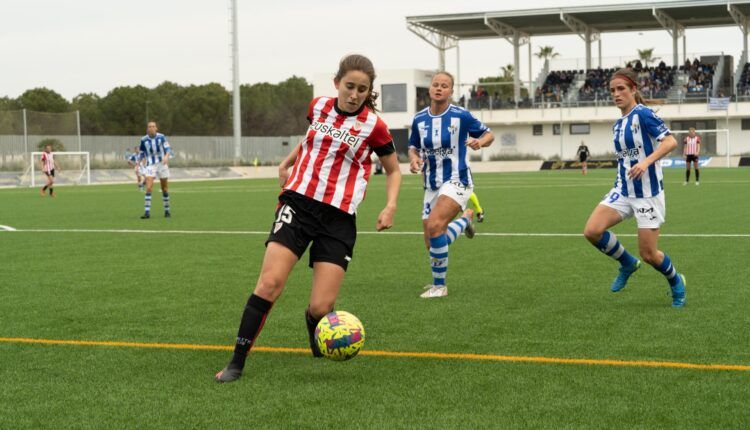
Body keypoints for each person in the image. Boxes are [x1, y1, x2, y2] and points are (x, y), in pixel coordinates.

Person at [215, 54, 402, 383]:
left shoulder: (375, 126)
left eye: (362, 89)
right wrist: (287, 162)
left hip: (338, 218)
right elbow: (313, 139)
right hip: (298, 204)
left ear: (368, 91)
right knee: (270, 284)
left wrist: (390, 206)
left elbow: (393, 169)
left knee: (320, 307)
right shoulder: (318, 106)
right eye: (349, 86)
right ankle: (237, 361)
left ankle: (315, 326)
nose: (354, 93)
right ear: (336, 83)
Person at [583, 67, 686, 308]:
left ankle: (675, 282)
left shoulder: (643, 114)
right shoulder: (618, 125)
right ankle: (627, 263)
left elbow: (671, 141)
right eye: (612, 90)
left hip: (647, 195)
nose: (616, 94)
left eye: (621, 89)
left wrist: (646, 162)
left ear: (633, 90)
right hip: (623, 190)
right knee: (592, 231)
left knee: (649, 255)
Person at [408, 71, 494, 299]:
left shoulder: (461, 115)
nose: (439, 88)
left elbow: (489, 134)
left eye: (444, 86)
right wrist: (414, 158)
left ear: (450, 91)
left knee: (436, 225)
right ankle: (465, 221)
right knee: (432, 241)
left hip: (458, 179)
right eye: (435, 84)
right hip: (431, 183)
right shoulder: (419, 119)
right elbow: (413, 146)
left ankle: (440, 286)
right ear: (429, 89)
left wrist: (479, 142)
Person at [138, 121, 172, 218]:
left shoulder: (161, 137)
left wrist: (166, 156)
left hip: (162, 164)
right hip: (150, 165)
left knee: (164, 189)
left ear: (156, 128)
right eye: (150, 126)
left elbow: (168, 149)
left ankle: (167, 210)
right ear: (147, 129)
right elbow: (142, 152)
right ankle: (147, 212)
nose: (152, 128)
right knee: (149, 187)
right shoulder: (143, 140)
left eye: (153, 126)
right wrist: (140, 161)